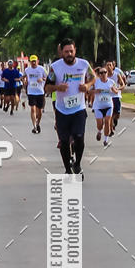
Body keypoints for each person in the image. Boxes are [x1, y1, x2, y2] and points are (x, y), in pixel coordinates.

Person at [45, 37, 95, 178]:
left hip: (79, 108)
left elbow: (93, 77)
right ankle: (68, 169)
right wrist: (57, 87)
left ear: (75, 51)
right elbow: (47, 87)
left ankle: (77, 164)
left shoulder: (84, 64)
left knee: (79, 138)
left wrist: (87, 85)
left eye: (71, 51)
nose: (69, 54)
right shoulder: (55, 67)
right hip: (62, 110)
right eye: (66, 52)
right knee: (64, 141)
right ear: (62, 52)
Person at [90, 66, 118, 146]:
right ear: (99, 74)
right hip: (98, 106)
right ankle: (99, 131)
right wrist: (95, 91)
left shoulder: (111, 82)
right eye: (101, 73)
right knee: (99, 124)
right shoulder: (96, 82)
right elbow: (89, 91)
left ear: (107, 73)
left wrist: (113, 90)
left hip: (108, 105)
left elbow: (116, 92)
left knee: (107, 121)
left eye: (105, 72)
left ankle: (106, 140)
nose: (103, 74)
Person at [24, 54, 47, 133]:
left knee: (39, 111)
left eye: (35, 61)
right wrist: (24, 81)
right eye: (32, 61)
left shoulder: (42, 69)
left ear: (37, 61)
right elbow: (24, 77)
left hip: (40, 92)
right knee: (33, 109)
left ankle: (38, 124)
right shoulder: (27, 70)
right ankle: (34, 126)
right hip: (31, 92)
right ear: (30, 62)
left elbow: (48, 78)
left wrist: (42, 79)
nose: (33, 63)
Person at [106, 61, 126, 133]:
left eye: (110, 65)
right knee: (110, 114)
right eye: (107, 65)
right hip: (108, 97)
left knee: (117, 114)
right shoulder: (105, 76)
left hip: (116, 96)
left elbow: (123, 85)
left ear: (113, 67)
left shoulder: (117, 75)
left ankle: (115, 120)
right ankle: (111, 129)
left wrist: (118, 88)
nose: (108, 67)